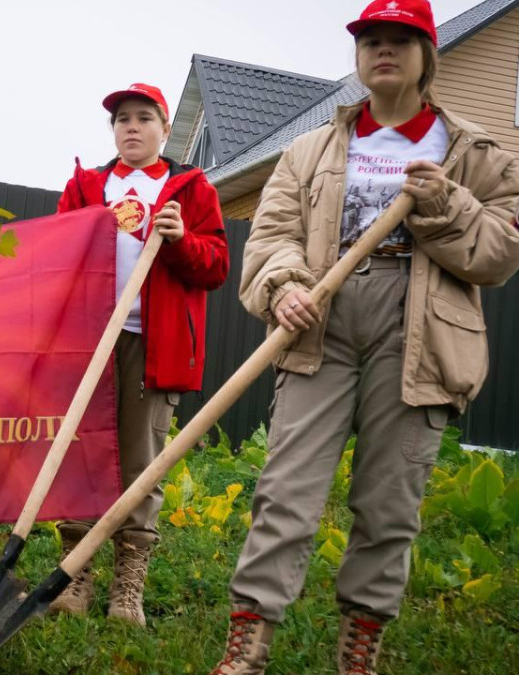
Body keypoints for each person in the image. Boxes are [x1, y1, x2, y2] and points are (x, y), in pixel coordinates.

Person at [211, 2, 519, 673]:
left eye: (400, 40)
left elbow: (500, 254)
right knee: (286, 490)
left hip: (421, 333)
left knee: (389, 502)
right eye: (372, 40)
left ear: (427, 54)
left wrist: (446, 203)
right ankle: (248, 645)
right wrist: (283, 285)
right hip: (319, 321)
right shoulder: (310, 149)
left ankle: (358, 651)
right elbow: (271, 235)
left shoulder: (474, 153)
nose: (384, 50)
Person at [52, 83, 229, 624]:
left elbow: (217, 266)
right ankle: (75, 575)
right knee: (80, 455)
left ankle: (127, 586)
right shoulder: (87, 187)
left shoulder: (191, 190)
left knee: (140, 464)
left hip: (154, 347)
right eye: (122, 118)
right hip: (90, 342)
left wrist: (181, 241)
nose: (131, 126)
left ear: (165, 128)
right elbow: (57, 257)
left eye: (143, 117)